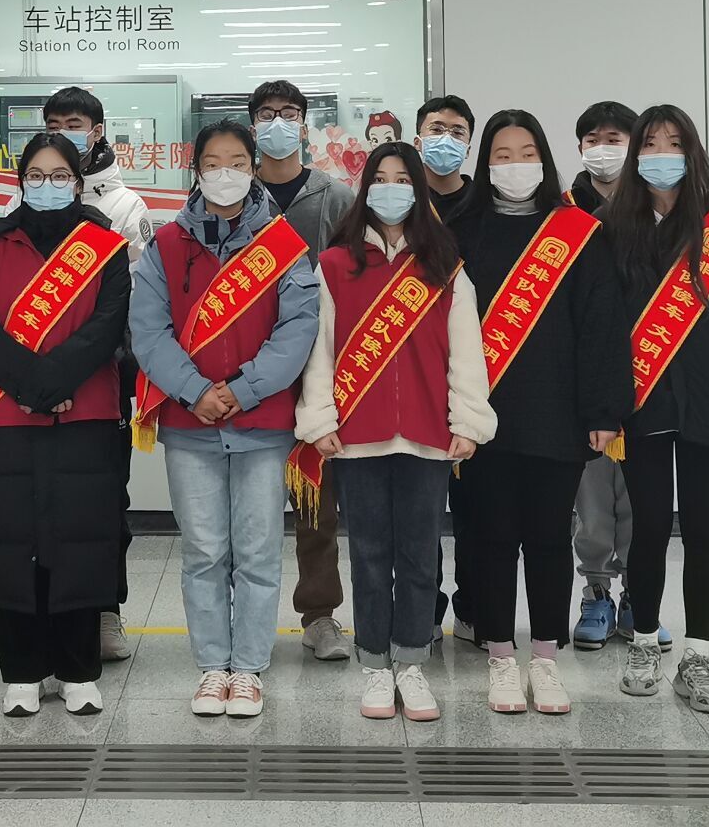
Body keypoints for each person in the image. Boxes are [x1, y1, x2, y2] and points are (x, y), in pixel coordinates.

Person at [294, 142, 495, 723]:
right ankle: (375, 666)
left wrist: (468, 420)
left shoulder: (444, 264)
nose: (391, 189)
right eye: (380, 178)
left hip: (429, 435)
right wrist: (321, 419)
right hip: (357, 436)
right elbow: (319, 351)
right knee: (369, 554)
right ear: (365, 189)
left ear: (419, 190)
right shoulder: (336, 264)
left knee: (419, 555)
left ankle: (411, 663)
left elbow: (467, 349)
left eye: (402, 179)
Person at [131, 120, 319, 718]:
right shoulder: (165, 245)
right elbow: (148, 330)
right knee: (205, 551)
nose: (225, 174)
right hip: (191, 426)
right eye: (213, 163)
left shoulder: (284, 245)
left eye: (237, 162)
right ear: (196, 171)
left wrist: (242, 389)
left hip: (263, 425)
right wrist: (194, 392)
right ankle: (214, 667)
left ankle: (250, 670)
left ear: (254, 167)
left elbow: (299, 328)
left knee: (259, 551)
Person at [451, 111, 630, 715]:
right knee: (492, 538)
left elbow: (602, 326)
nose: (515, 165)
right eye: (502, 155)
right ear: (486, 164)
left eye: (526, 153)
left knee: (551, 539)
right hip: (483, 416)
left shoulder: (577, 231)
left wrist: (603, 409)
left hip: (557, 412)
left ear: (545, 160)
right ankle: (502, 657)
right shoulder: (462, 230)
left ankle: (546, 659)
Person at [602, 105, 709, 714]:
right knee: (649, 526)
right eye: (650, 144)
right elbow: (599, 330)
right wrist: (602, 406)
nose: (661, 155)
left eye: (673, 144)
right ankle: (644, 641)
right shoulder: (611, 230)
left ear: (692, 154)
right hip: (641, 403)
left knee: (703, 528)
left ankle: (698, 654)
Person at [0, 133, 132, 717]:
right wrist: (34, 387)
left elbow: (108, 326)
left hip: (88, 414)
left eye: (60, 176)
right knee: (14, 542)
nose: (47, 185)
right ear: (20, 181)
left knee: (82, 540)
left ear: (77, 183)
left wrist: (52, 383)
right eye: (36, 174)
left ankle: (78, 668)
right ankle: (22, 669)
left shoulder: (104, 246)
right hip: (8, 416)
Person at [42, 86, 150, 663]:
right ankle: (49, 612)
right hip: (35, 387)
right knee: (43, 502)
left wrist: (81, 363)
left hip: (104, 379)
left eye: (74, 123)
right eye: (54, 123)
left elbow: (135, 305)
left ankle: (107, 608)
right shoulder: (21, 202)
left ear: (98, 131)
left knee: (106, 500)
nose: (64, 132)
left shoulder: (126, 208)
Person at [249, 79, 355, 663]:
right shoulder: (232, 192)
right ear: (253, 125)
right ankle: (247, 619)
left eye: (289, 113)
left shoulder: (335, 197)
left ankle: (319, 615)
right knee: (251, 505)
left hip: (318, 368)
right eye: (268, 114)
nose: (279, 124)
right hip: (249, 370)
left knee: (317, 501)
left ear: (305, 124)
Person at [564, 101, 669, 653]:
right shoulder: (562, 211)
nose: (604, 149)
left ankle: (637, 596)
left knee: (641, 500)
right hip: (587, 381)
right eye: (593, 139)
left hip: (650, 377)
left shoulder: (659, 209)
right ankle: (597, 592)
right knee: (591, 498)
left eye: (616, 139)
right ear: (580, 148)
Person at [413, 93, 478, 641]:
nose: (446, 139)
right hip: (414, 373)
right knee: (420, 511)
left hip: (479, 372)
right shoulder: (399, 203)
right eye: (436, 128)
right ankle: (425, 609)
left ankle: (475, 607)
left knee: (478, 507)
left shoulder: (487, 204)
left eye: (457, 132)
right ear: (417, 138)